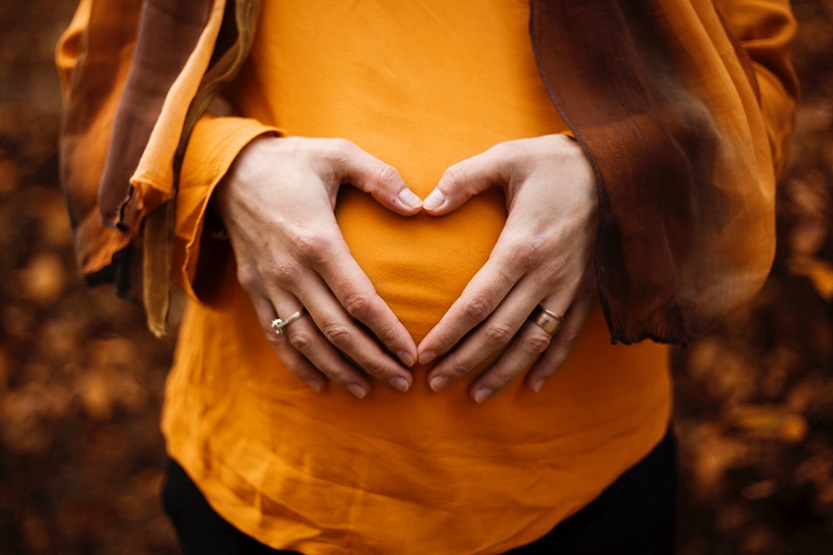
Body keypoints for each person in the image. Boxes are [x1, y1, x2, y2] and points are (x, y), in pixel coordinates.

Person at [56, 0, 797, 553]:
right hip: (269, 484)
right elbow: (107, 71)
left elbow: (754, 79)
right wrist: (223, 169)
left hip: (582, 488)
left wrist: (613, 176)